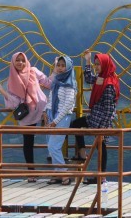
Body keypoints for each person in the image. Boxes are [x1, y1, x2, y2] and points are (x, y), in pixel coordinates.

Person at [0, 52, 53, 183]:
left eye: (22, 60)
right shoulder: (12, 79)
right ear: (13, 63)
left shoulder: (34, 71)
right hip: (26, 115)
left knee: (53, 139)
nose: (20, 63)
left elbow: (48, 82)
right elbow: (15, 103)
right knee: (28, 143)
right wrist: (2, 91)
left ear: (26, 61)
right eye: (17, 61)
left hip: (42, 111)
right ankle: (31, 172)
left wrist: (56, 70)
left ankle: (58, 172)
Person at [69, 50, 120, 184]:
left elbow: (109, 109)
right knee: (76, 126)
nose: (96, 67)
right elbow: (88, 78)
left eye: (98, 64)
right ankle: (84, 155)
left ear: (105, 65)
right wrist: (87, 61)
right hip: (94, 118)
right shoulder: (102, 78)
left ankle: (100, 175)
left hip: (101, 122)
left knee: (100, 147)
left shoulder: (108, 85)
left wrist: (103, 130)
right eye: (95, 64)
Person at [44, 56, 77, 185]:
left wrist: (55, 121)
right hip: (51, 115)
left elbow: (68, 104)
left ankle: (64, 174)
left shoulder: (70, 83)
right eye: (58, 65)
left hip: (62, 117)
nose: (60, 68)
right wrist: (45, 112)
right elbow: (51, 98)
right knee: (50, 146)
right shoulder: (56, 81)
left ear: (68, 67)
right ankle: (57, 173)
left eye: (63, 65)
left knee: (54, 146)